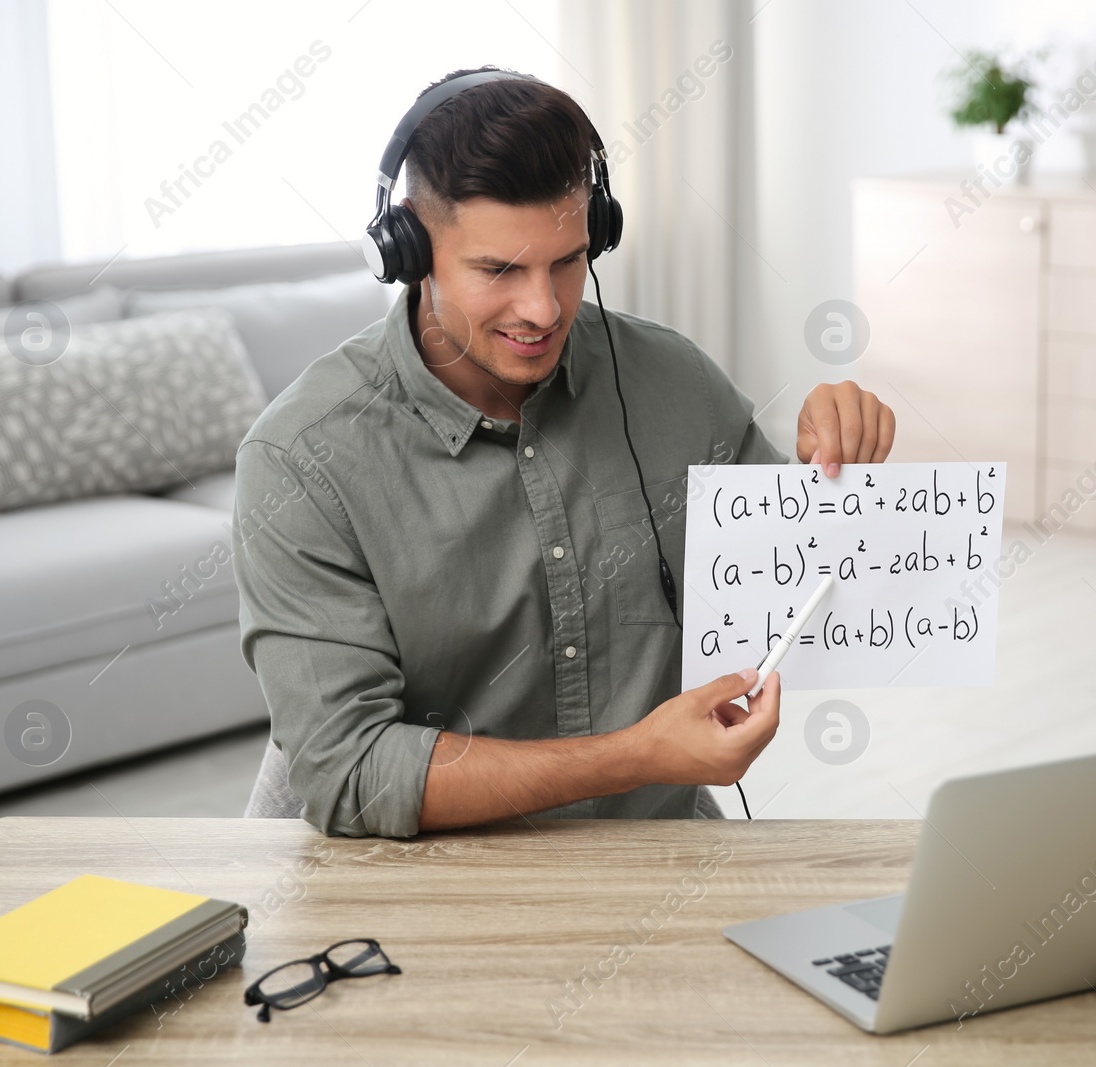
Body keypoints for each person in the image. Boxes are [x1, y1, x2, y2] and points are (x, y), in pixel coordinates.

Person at [232, 67, 895, 838]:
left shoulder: (670, 380)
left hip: (658, 855)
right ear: (410, 247)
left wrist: (835, 467)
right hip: (425, 883)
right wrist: (635, 756)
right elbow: (349, 774)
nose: (543, 309)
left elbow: (795, 590)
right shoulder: (301, 460)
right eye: (498, 270)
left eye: (568, 260)